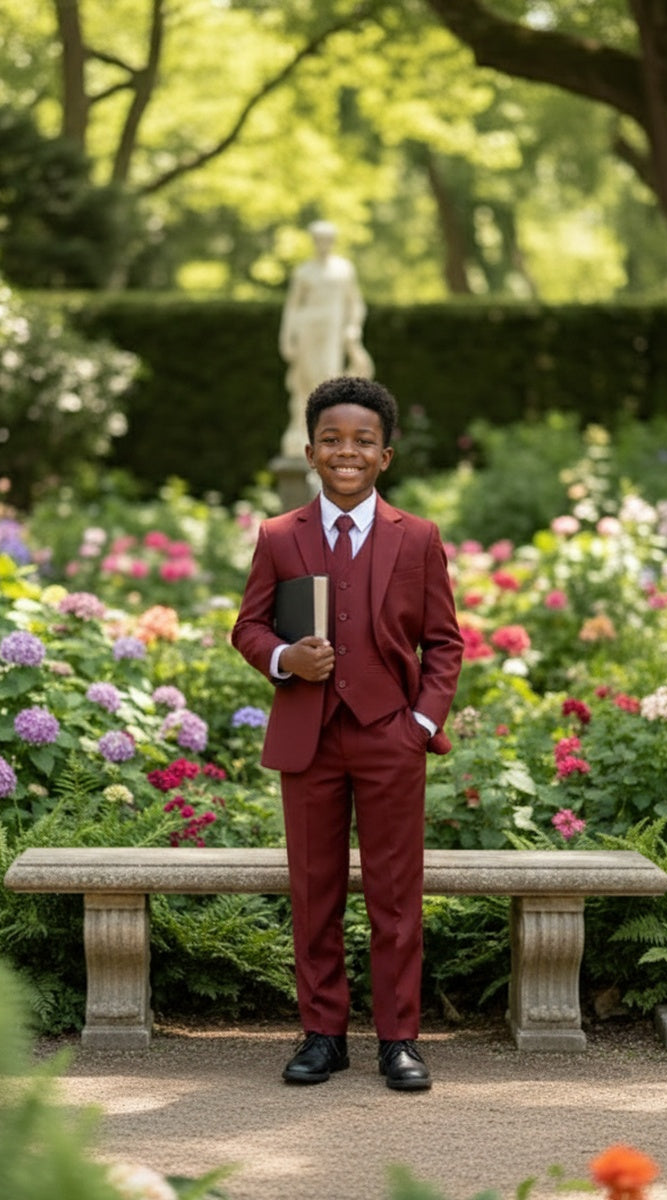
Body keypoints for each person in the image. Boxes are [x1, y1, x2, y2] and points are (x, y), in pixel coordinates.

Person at [231, 376, 464, 1092]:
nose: (347, 451)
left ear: (385, 454)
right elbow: (248, 627)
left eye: (363, 440)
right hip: (310, 739)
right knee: (315, 889)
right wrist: (283, 658)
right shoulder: (278, 536)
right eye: (332, 439)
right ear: (309, 451)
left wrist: (420, 723)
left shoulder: (418, 538)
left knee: (396, 892)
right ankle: (323, 1035)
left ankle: (399, 1040)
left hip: (390, 736)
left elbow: (444, 643)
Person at [278, 222, 374, 459]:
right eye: (318, 239)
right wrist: (287, 338)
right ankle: (303, 430)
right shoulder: (304, 272)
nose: (323, 244)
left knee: (329, 380)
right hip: (307, 330)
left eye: (326, 239)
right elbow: (292, 307)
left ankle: (327, 430)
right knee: (305, 383)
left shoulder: (343, 269)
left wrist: (353, 328)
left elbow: (356, 304)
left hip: (332, 333)